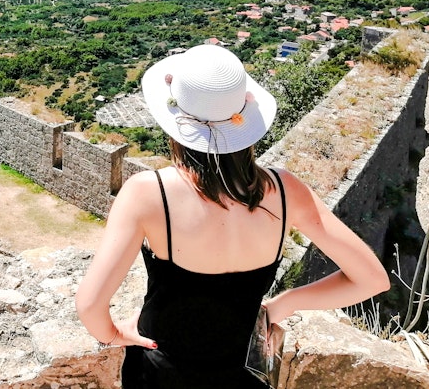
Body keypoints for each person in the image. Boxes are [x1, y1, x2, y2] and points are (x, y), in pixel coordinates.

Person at [75, 45, 390, 388]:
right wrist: (284, 304)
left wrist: (113, 332)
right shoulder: (286, 191)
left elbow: (91, 306)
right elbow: (372, 279)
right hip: (241, 373)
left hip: (160, 372)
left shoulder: (148, 193)